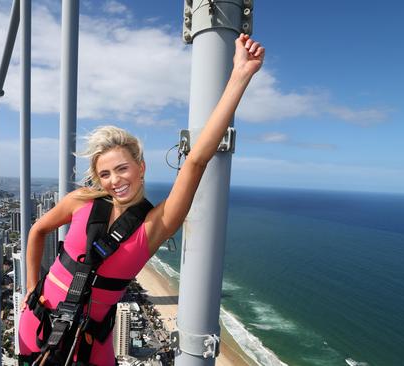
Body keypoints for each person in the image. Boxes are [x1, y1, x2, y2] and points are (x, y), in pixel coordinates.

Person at [18, 33, 265, 366]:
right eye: (105, 174)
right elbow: (37, 231)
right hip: (36, 325)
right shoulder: (81, 201)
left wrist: (239, 75)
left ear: (141, 167)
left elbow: (196, 160)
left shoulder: (155, 224)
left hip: (89, 347)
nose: (115, 180)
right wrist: (31, 287)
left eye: (123, 169)